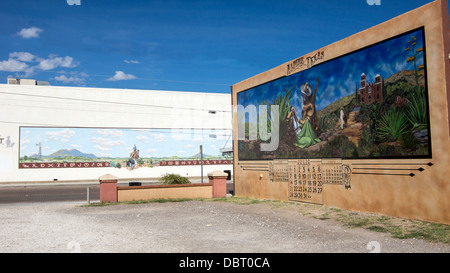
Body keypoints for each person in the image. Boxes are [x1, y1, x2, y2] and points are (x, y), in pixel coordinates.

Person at [295, 78, 321, 149]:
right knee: (305, 124)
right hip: (304, 114)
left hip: (310, 114)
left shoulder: (311, 97)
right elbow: (303, 108)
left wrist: (311, 106)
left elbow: (315, 91)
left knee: (311, 123)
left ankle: (312, 133)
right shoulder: (301, 98)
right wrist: (308, 106)